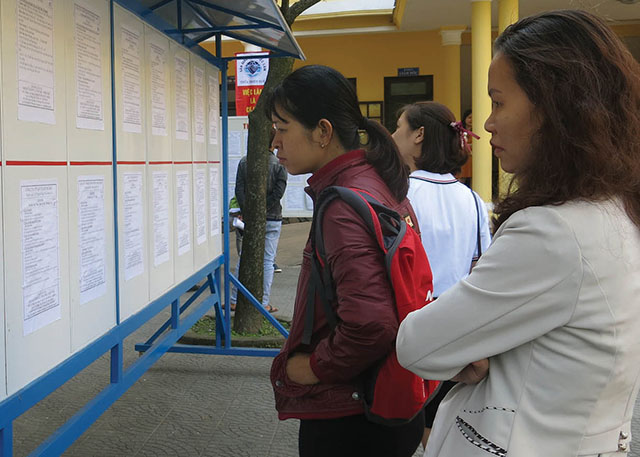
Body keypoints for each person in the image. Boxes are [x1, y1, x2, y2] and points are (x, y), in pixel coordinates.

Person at [396, 9, 640, 457]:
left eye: (498, 102)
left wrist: (468, 346)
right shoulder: (617, 211)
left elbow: (416, 344)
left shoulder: (553, 231)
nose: (487, 123)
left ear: (554, 106)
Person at [268, 64, 425, 457]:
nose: (275, 142)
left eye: (282, 128)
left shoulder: (342, 206)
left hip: (351, 419)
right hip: (384, 402)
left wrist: (312, 367)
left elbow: (371, 324)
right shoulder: (377, 181)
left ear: (323, 132)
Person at [391, 101, 491, 448]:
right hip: (455, 331)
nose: (392, 135)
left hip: (407, 329)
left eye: (398, 127)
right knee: (437, 428)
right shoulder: (473, 200)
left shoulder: (399, 195)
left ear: (418, 135)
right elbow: (480, 267)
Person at [231, 140, 287, 313]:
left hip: (249, 217)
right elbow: (279, 192)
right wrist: (264, 208)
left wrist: (248, 210)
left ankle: (234, 299)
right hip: (272, 216)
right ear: (273, 143)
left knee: (244, 256)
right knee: (268, 261)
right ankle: (263, 302)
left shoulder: (244, 161)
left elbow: (239, 189)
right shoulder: (279, 164)